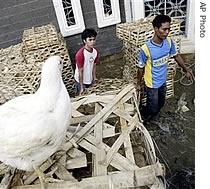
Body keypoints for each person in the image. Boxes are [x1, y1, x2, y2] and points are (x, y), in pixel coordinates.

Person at [136, 14, 192, 126]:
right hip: (151, 84)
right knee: (152, 106)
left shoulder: (169, 42)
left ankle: (154, 118)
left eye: (168, 29)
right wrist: (138, 84)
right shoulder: (145, 49)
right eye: (164, 29)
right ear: (156, 29)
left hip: (163, 81)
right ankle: (144, 118)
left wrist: (186, 70)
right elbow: (140, 68)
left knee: (161, 103)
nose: (167, 32)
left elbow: (176, 56)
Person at [74, 28, 99, 95]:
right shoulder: (80, 54)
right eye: (90, 40)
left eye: (94, 39)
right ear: (84, 41)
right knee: (84, 96)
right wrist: (82, 87)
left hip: (89, 78)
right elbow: (80, 71)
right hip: (81, 80)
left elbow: (94, 65)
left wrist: (94, 77)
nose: (92, 42)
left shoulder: (95, 51)